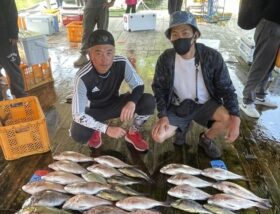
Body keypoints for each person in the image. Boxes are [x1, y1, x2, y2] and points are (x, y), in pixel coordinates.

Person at [151, 11, 240, 159]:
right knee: (158, 136)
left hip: (205, 104)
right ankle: (182, 127)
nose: (180, 37)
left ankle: (206, 139)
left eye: (185, 32)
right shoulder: (165, 59)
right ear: (170, 38)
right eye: (175, 34)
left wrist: (236, 120)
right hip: (177, 106)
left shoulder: (212, 57)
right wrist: (163, 115)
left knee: (228, 118)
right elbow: (158, 88)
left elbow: (227, 90)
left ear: (195, 35)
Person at [70, 29, 155, 152]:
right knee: (78, 133)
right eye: (98, 53)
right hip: (94, 110)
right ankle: (96, 129)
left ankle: (133, 133)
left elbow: (139, 85)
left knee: (148, 100)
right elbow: (78, 114)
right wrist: (106, 129)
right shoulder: (82, 77)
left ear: (114, 52)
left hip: (115, 104)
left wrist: (132, 102)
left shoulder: (122, 63)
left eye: (109, 53)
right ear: (89, 54)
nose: (104, 59)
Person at [240, 0, 280, 118]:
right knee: (261, 65)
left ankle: (259, 95)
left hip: (275, 24)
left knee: (269, 64)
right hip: (270, 23)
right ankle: (247, 101)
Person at [74, 0, 115, 67]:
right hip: (89, 6)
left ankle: (102, 56)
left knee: (102, 33)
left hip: (103, 6)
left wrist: (112, 2)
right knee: (86, 32)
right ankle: (83, 55)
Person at [0, 0, 26, 100]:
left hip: (5, 37)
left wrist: (13, 33)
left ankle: (20, 95)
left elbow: (11, 11)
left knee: (12, 67)